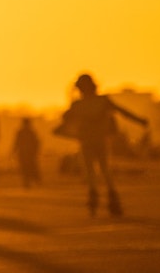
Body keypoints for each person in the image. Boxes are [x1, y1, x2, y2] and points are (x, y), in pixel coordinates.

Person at [58, 74, 148, 217]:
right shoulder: (102, 101)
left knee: (90, 172)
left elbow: (65, 118)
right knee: (105, 171)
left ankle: (94, 199)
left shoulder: (78, 105)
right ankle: (113, 200)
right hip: (100, 141)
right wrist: (140, 121)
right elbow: (123, 112)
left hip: (86, 142)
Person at [12, 117, 42, 189]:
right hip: (26, 153)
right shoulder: (30, 132)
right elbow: (36, 143)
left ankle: (30, 181)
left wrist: (13, 151)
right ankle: (29, 181)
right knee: (27, 167)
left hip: (26, 153)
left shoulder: (23, 132)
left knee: (27, 167)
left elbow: (16, 142)